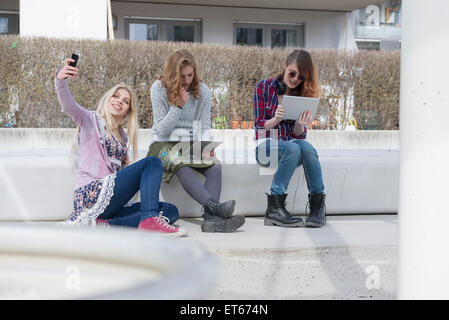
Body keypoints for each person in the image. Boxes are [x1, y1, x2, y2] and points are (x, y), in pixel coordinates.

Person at [55, 57, 187, 237]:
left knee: (170, 210)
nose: (119, 101)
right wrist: (60, 80)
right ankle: (149, 221)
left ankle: (106, 225)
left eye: (125, 101)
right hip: (91, 195)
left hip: (111, 205)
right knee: (152, 163)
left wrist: (124, 166)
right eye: (116, 96)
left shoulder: (123, 138)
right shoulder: (90, 120)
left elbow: (116, 178)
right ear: (108, 99)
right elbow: (67, 105)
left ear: (128, 111)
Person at [148, 49, 245, 233]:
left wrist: (206, 146)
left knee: (215, 166)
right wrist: (177, 106)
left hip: (190, 143)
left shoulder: (203, 90)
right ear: (172, 74)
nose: (186, 80)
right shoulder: (158, 88)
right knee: (179, 162)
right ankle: (215, 208)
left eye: (190, 75)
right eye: (181, 76)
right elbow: (162, 130)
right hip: (162, 143)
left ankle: (211, 220)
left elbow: (205, 126)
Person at [253, 49, 326, 228]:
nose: (295, 79)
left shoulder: (301, 94)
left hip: (290, 148)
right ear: (285, 67)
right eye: (292, 73)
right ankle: (274, 208)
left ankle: (317, 208)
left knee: (307, 148)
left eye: (300, 77)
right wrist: (275, 119)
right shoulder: (263, 87)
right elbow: (259, 126)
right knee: (293, 148)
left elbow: (298, 136)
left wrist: (300, 124)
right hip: (266, 148)